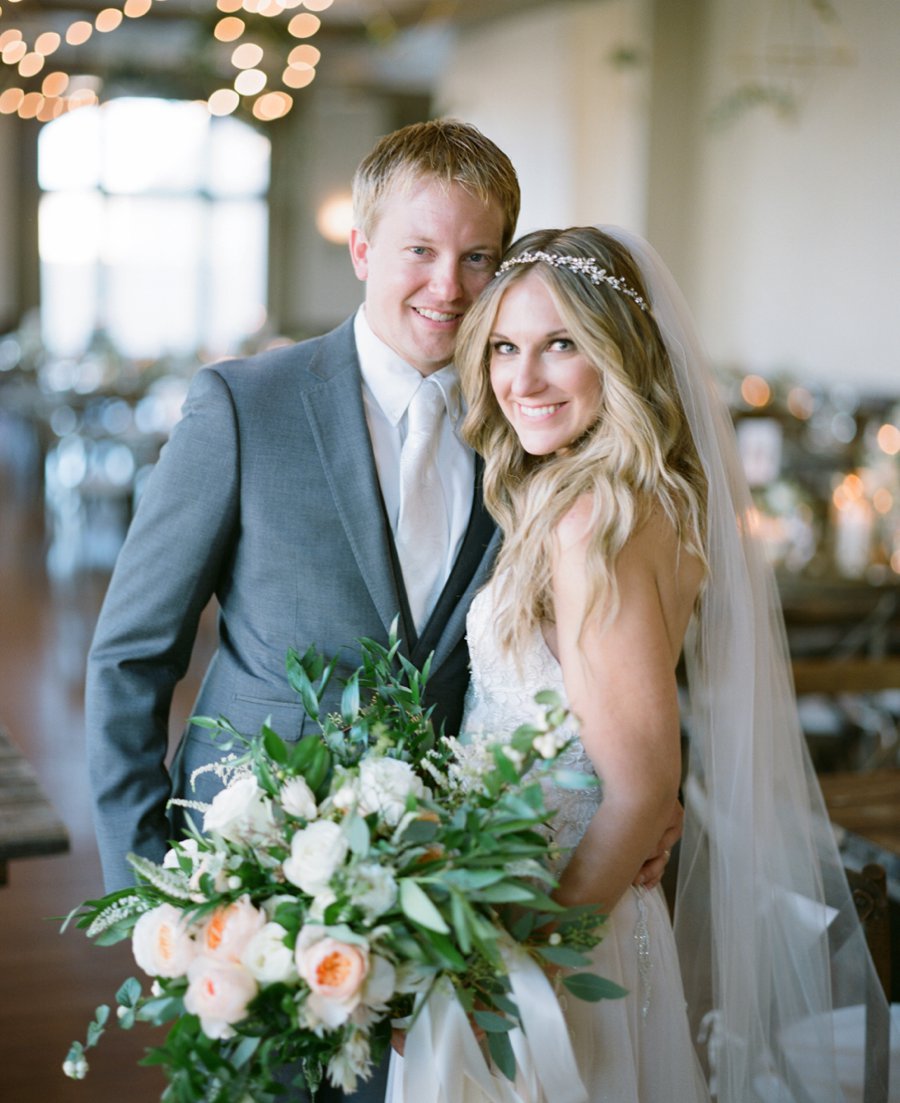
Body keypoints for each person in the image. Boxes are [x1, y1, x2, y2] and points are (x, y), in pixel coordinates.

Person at [86, 125, 675, 1102]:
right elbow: (129, 657)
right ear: (362, 247)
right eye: (419, 250)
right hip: (258, 899)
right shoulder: (243, 405)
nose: (448, 285)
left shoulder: (528, 429)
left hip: (455, 910)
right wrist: (151, 894)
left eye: (478, 256)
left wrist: (646, 782)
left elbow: (601, 644)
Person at [385, 226, 892, 1102]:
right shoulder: (621, 498)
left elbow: (644, 788)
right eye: (504, 346)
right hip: (554, 899)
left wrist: (517, 973)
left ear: (618, 354)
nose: (522, 379)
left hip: (563, 926)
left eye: (560, 346)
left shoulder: (595, 528)